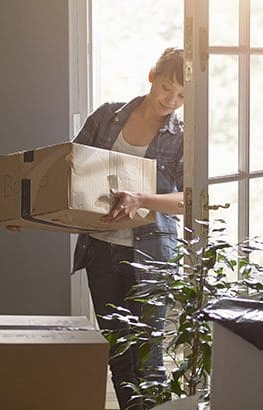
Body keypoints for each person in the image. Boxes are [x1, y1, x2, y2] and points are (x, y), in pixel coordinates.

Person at [70, 47, 186, 409]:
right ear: (152, 76)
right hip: (100, 250)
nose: (172, 100)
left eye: (183, 95)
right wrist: (26, 215)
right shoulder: (107, 116)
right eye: (167, 87)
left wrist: (142, 199)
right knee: (119, 353)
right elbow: (68, 170)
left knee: (148, 354)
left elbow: (190, 199)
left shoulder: (182, 136)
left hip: (152, 254)